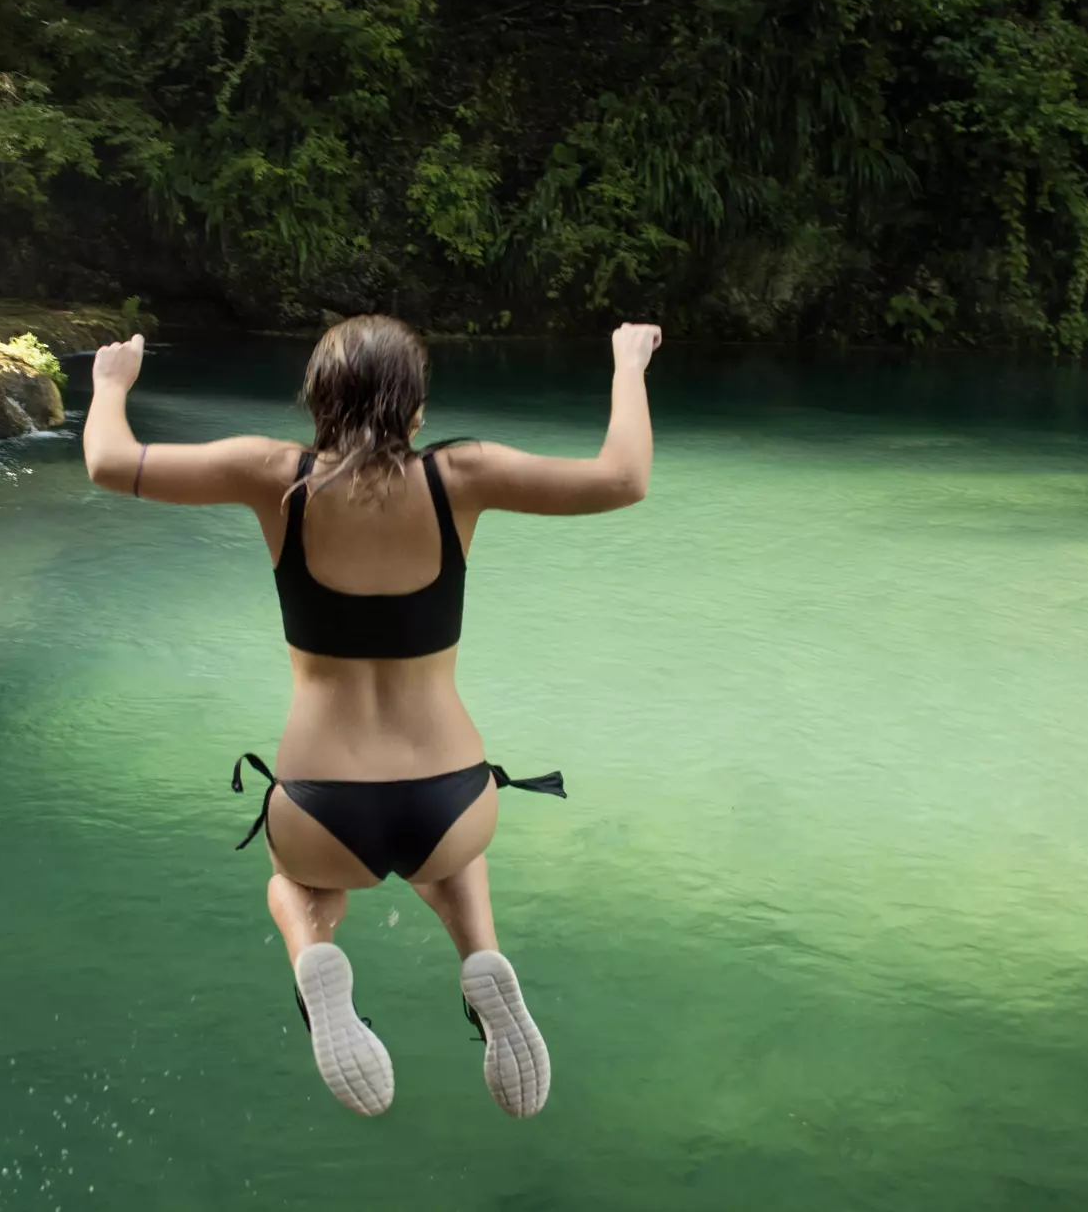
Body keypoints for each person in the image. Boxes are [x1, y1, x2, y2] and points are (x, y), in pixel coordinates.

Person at [82, 316, 660, 1118]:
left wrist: (112, 383)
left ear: (316, 402)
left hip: (324, 807)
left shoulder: (272, 475)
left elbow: (109, 461)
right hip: (453, 800)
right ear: (416, 411)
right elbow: (624, 477)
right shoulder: (461, 474)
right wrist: (627, 364)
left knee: (296, 884)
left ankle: (316, 952)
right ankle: (481, 956)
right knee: (451, 862)